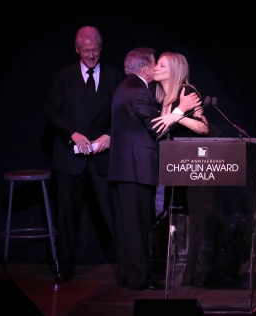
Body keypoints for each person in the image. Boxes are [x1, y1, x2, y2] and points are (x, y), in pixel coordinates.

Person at [108, 48, 200, 291]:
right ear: (146, 68)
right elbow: (157, 129)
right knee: (138, 227)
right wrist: (180, 111)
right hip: (136, 171)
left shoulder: (123, 87)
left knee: (128, 227)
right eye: (154, 64)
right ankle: (140, 280)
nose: (156, 68)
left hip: (122, 171)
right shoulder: (140, 92)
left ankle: (128, 276)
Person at [43, 26, 123, 282]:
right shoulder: (63, 76)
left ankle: (126, 267)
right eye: (86, 51)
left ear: (101, 48)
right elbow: (51, 113)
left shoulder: (113, 76)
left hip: (103, 159)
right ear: (77, 49)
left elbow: (122, 113)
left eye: (95, 50)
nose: (91, 55)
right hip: (71, 158)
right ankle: (65, 266)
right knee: (68, 216)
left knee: (113, 213)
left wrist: (110, 134)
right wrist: (72, 134)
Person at [151, 52, 234, 288]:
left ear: (174, 70)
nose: (155, 68)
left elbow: (204, 127)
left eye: (161, 65)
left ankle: (204, 274)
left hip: (197, 168)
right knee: (185, 218)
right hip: (178, 167)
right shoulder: (163, 98)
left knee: (202, 219)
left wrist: (178, 118)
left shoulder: (187, 92)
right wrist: (172, 115)